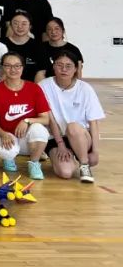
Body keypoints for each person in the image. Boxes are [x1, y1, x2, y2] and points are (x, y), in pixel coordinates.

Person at [0, 52, 51, 179]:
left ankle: (34, 163)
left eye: (17, 66)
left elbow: (46, 119)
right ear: (2, 68)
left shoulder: (34, 88)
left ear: (22, 67)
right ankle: (8, 158)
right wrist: (3, 134)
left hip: (28, 138)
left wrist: (26, 120)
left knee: (39, 129)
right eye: (8, 66)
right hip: (7, 136)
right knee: (6, 152)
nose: (13, 69)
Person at [42, 51, 103, 183]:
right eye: (59, 65)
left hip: (80, 136)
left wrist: (95, 150)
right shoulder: (44, 86)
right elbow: (50, 119)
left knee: (73, 127)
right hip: (56, 137)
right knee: (65, 172)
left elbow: (93, 122)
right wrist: (61, 145)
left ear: (76, 68)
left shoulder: (85, 89)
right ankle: (74, 159)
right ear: (54, 66)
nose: (64, 69)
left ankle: (84, 165)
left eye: (68, 66)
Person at [4, 10, 47, 83]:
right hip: (7, 85)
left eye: (24, 24)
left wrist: (35, 88)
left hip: (30, 86)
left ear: (30, 26)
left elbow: (41, 72)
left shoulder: (38, 46)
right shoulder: (2, 45)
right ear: (10, 25)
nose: (20, 27)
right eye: (16, 23)